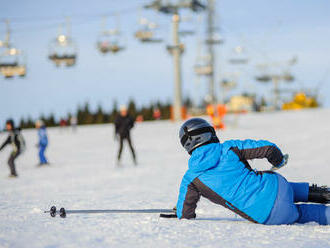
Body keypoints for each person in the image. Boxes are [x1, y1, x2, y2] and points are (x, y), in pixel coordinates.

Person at [176, 118, 330, 225]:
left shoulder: (190, 178)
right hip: (278, 186)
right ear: (210, 133)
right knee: (282, 187)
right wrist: (279, 161)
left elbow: (185, 214)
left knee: (302, 213)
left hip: (269, 214)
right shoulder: (228, 148)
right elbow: (269, 149)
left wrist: (181, 212)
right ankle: (322, 193)